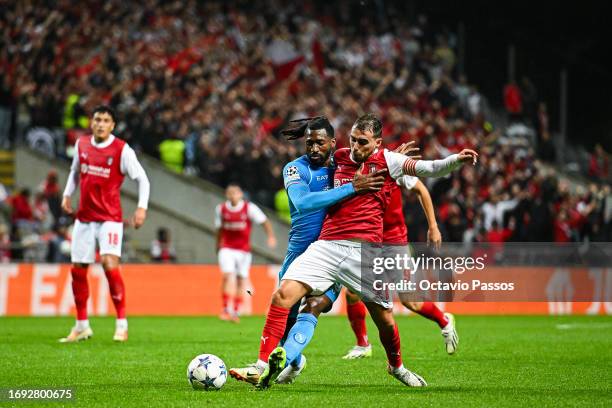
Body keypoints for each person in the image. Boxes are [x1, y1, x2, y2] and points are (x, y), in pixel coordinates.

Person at [235, 113, 478, 389]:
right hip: (326, 247)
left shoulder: (390, 161)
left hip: (366, 255)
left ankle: (396, 367)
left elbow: (429, 169)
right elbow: (316, 180)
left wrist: (456, 161)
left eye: (362, 142)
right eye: (352, 140)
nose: (355, 147)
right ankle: (261, 365)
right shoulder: (338, 157)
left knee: (385, 319)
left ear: (377, 142)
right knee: (282, 296)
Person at [229, 115, 390, 384]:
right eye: (309, 143)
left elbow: (373, 152)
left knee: (313, 306)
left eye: (320, 143)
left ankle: (261, 368)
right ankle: (295, 360)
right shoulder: (295, 169)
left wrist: (399, 160)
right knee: (286, 315)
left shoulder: (342, 167)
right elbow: (303, 202)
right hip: (299, 253)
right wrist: (352, 187)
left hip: (332, 252)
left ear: (332, 143)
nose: (314, 148)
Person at [59, 105, 150, 343]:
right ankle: (81, 326)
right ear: (92, 122)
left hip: (110, 218)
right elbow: (74, 171)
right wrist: (67, 195)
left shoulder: (121, 149)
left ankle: (122, 324)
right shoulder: (82, 145)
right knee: (78, 268)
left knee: (110, 264)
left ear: (113, 125)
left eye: (106, 120)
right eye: (97, 119)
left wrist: (141, 207)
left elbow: (143, 179)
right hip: (84, 217)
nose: (100, 124)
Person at [215, 183, 277, 322]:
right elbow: (219, 229)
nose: (233, 196)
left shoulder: (249, 208)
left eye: (235, 193)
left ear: (240, 194)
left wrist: (271, 236)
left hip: (243, 250)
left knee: (241, 279)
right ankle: (225, 309)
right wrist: (217, 245)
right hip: (227, 248)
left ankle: (235, 311)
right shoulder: (221, 209)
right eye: (230, 193)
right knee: (227, 275)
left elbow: (264, 221)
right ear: (226, 195)